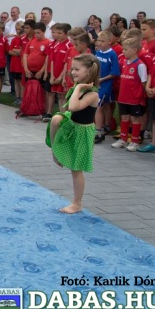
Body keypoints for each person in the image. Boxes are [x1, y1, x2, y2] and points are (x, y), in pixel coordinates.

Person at [46, 53, 101, 214]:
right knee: (55, 119)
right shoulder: (78, 87)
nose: (73, 72)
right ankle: (55, 152)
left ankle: (77, 203)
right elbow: (68, 109)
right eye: (72, 69)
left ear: (89, 71)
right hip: (73, 125)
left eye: (77, 69)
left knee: (76, 169)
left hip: (82, 132)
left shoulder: (92, 94)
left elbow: (74, 107)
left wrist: (77, 88)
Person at [112, 38, 147, 152]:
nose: (123, 52)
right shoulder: (124, 63)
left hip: (134, 98)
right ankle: (123, 139)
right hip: (123, 97)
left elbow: (144, 82)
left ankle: (135, 141)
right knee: (124, 118)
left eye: (126, 49)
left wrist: (140, 96)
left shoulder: (140, 65)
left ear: (134, 50)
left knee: (135, 119)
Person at [94, 30, 120, 143]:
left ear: (109, 41)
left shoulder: (112, 54)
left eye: (102, 41)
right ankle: (106, 125)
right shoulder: (98, 53)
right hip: (97, 82)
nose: (100, 43)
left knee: (98, 106)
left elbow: (114, 72)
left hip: (105, 84)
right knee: (105, 105)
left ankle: (98, 131)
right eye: (98, 40)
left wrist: (102, 79)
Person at [45, 23, 73, 120]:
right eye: (56, 33)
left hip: (63, 75)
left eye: (60, 33)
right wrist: (52, 75)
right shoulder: (56, 45)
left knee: (64, 96)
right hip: (55, 74)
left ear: (66, 34)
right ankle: (61, 116)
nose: (57, 35)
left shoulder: (68, 45)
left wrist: (61, 76)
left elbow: (66, 63)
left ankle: (65, 117)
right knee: (59, 96)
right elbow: (52, 60)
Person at [8, 20, 26, 105]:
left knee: (22, 82)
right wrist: (17, 52)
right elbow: (10, 51)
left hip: (21, 65)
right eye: (17, 29)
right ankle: (17, 97)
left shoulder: (24, 39)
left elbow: (24, 52)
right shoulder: (14, 39)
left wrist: (18, 52)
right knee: (16, 81)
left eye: (20, 29)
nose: (18, 31)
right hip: (14, 64)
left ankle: (22, 97)